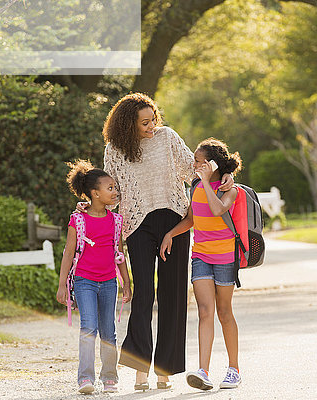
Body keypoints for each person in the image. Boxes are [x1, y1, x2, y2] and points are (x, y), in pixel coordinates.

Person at [78, 93, 234, 390]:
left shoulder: (167, 138)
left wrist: (225, 176)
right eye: (144, 122)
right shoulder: (114, 150)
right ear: (128, 124)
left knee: (173, 294)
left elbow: (195, 170)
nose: (151, 127)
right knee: (144, 294)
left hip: (174, 221)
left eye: (153, 120)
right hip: (137, 225)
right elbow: (113, 190)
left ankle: (165, 370)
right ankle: (140, 368)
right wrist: (91, 205)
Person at [160, 138, 242, 391]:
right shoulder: (196, 187)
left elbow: (218, 210)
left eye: (197, 161)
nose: (193, 165)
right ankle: (203, 371)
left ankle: (234, 370)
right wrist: (170, 234)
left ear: (211, 164)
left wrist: (208, 182)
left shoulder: (230, 189)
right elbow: (192, 219)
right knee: (205, 312)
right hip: (201, 256)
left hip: (226, 256)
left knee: (224, 312)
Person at [57, 159, 132, 395]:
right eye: (109, 188)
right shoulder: (78, 219)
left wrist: (126, 284)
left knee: (108, 330)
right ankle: (85, 379)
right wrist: (62, 286)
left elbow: (120, 254)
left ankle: (109, 377)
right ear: (95, 193)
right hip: (84, 282)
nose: (115, 191)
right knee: (88, 327)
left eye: (115, 187)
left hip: (109, 282)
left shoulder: (116, 220)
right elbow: (69, 253)